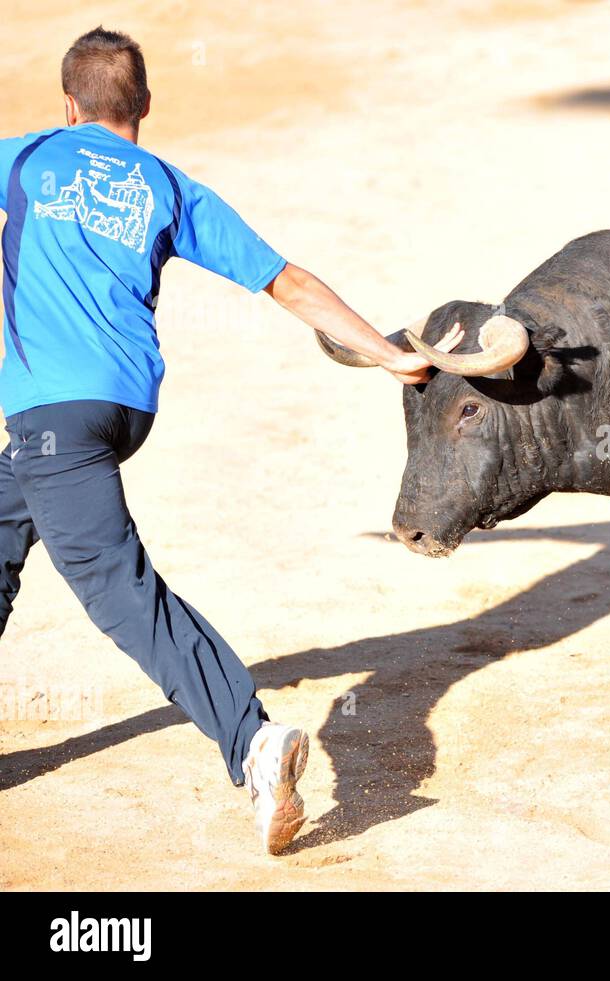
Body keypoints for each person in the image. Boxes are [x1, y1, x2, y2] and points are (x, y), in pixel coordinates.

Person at [0, 27, 462, 854]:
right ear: (142, 105)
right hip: (122, 411)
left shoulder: (29, 156)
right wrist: (389, 353)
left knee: (116, 586)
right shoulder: (168, 186)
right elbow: (287, 281)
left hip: (55, 418)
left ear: (67, 105)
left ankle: (251, 738)